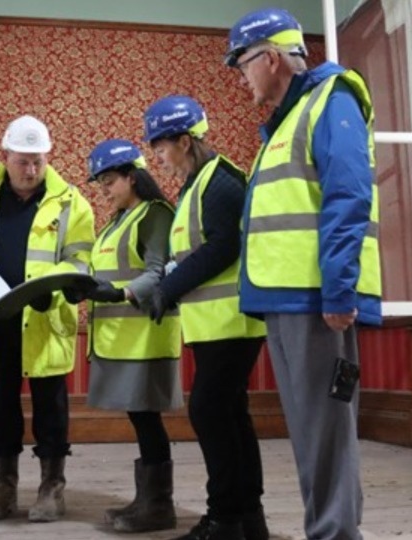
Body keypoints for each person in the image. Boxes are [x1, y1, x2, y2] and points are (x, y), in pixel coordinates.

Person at [226, 8, 382, 540]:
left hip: (318, 297)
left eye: (242, 64)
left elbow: (348, 195)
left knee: (326, 428)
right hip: (288, 297)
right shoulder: (289, 118)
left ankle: (335, 534)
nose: (241, 76)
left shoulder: (330, 101)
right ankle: (332, 529)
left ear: (270, 58)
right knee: (313, 430)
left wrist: (339, 288)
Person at [0, 115, 95, 523]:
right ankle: (4, 487)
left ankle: (52, 488)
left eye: (39, 161)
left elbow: (80, 259)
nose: (31, 170)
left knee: (51, 406)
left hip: (46, 320)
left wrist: (51, 288)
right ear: (5, 156)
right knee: (1, 406)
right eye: (23, 161)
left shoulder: (72, 204)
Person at [141, 95, 269, 540]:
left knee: (210, 410)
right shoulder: (198, 183)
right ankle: (247, 519)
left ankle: (225, 519)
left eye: (160, 147)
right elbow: (196, 250)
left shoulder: (221, 182)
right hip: (216, 322)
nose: (157, 157)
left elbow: (223, 247)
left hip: (232, 319)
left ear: (184, 139)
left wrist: (167, 289)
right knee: (229, 413)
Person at [64, 139, 183, 533]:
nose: (105, 190)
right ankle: (147, 501)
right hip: (121, 338)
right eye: (101, 184)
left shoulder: (155, 214)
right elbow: (110, 270)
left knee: (147, 420)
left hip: (145, 337)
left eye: (110, 181)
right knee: (140, 418)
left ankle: (158, 507)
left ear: (133, 177)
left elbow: (158, 270)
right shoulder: (118, 220)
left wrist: (120, 293)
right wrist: (83, 286)